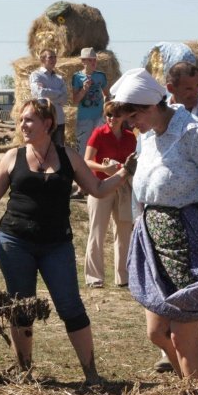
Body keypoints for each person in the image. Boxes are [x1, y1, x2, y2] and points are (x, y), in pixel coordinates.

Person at [0, 98, 133, 383]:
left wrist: (123, 173)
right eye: (21, 119)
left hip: (56, 244)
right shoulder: (12, 157)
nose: (23, 124)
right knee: (21, 308)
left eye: (29, 119)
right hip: (15, 242)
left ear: (48, 124)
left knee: (70, 306)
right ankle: (25, 372)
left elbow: (96, 188)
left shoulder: (68, 156)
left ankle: (92, 374)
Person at [114, 69, 198, 382]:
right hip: (156, 244)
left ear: (150, 107)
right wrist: (136, 233)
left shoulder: (194, 135)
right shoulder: (147, 139)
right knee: (157, 333)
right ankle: (193, 383)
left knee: (184, 339)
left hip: (192, 242)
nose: (132, 125)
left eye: (133, 117)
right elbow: (141, 190)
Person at [83, 101, 136, 288]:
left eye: (115, 115)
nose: (111, 118)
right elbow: (87, 161)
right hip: (100, 186)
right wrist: (104, 168)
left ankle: (124, 277)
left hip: (123, 187)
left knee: (123, 233)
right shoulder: (99, 133)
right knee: (97, 232)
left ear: (124, 117)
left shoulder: (131, 137)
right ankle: (94, 278)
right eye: (108, 115)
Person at [71, 47, 109, 155]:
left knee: (100, 148)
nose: (93, 62)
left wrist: (106, 111)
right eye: (90, 60)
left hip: (99, 117)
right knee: (82, 150)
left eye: (94, 59)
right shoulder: (77, 77)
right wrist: (84, 89)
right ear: (83, 61)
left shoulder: (101, 76)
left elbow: (107, 95)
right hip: (84, 118)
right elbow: (75, 100)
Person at [29, 49, 68, 147]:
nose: (54, 59)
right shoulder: (36, 75)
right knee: (44, 149)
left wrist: (48, 93)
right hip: (44, 120)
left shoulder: (59, 78)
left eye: (55, 57)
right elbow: (39, 92)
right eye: (50, 57)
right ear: (42, 59)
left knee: (59, 149)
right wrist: (58, 93)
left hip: (59, 119)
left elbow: (65, 98)